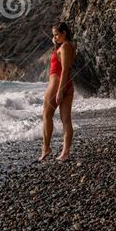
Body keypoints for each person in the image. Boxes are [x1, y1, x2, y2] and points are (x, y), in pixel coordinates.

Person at [40, 21, 76, 162]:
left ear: (64, 33)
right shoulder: (67, 46)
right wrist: (55, 41)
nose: (54, 37)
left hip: (57, 85)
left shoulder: (66, 46)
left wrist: (60, 90)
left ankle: (46, 148)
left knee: (46, 115)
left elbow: (65, 69)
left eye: (56, 35)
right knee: (65, 119)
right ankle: (64, 153)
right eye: (53, 35)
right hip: (67, 85)